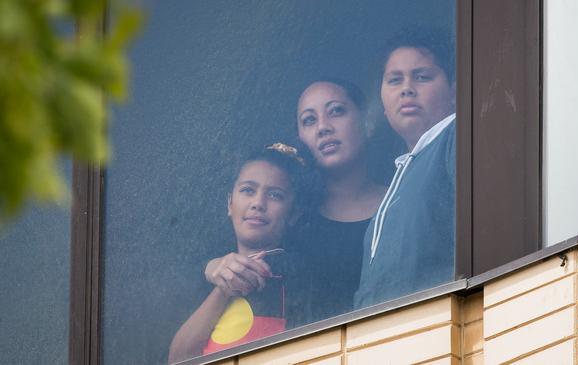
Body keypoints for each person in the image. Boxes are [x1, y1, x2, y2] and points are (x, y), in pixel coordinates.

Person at [168, 143, 308, 363]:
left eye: (274, 195)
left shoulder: (305, 280)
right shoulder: (202, 282)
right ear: (230, 203)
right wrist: (223, 289)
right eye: (247, 190)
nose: (258, 203)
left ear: (294, 214)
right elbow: (179, 358)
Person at [354, 26, 456, 308]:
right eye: (394, 80)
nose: (407, 89)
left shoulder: (456, 138)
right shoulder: (405, 171)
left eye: (422, 77)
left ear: (454, 92)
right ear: (384, 105)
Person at [292, 79, 388, 322]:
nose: (323, 127)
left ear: (367, 123)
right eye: (309, 120)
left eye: (336, 111)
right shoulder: (293, 223)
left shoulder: (402, 201)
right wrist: (210, 268)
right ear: (300, 139)